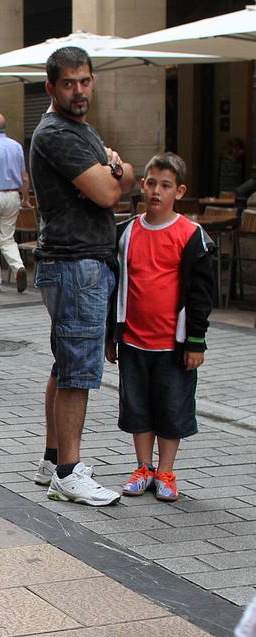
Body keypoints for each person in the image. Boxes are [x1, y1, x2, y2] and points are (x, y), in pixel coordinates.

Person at [29, 46, 135, 506]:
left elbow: (121, 173)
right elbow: (109, 190)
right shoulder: (58, 134)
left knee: (65, 363)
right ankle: (69, 473)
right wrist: (114, 171)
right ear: (51, 87)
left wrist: (115, 169)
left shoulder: (79, 130)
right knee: (78, 372)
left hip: (72, 263)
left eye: (85, 81)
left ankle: (53, 460)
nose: (79, 90)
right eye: (69, 83)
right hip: (76, 265)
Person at [106, 152, 214, 503]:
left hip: (174, 345)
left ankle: (166, 470)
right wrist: (113, 335)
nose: (156, 191)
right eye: (151, 183)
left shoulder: (191, 236)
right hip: (134, 341)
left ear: (179, 191)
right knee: (137, 406)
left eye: (165, 185)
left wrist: (195, 341)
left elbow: (200, 295)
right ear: (142, 185)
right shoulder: (125, 233)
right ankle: (143, 467)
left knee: (171, 407)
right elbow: (115, 287)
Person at [0, 112, 31, 292]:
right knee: (8, 237)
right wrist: (25, 199)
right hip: (13, 196)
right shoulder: (16, 146)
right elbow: (24, 177)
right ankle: (18, 267)